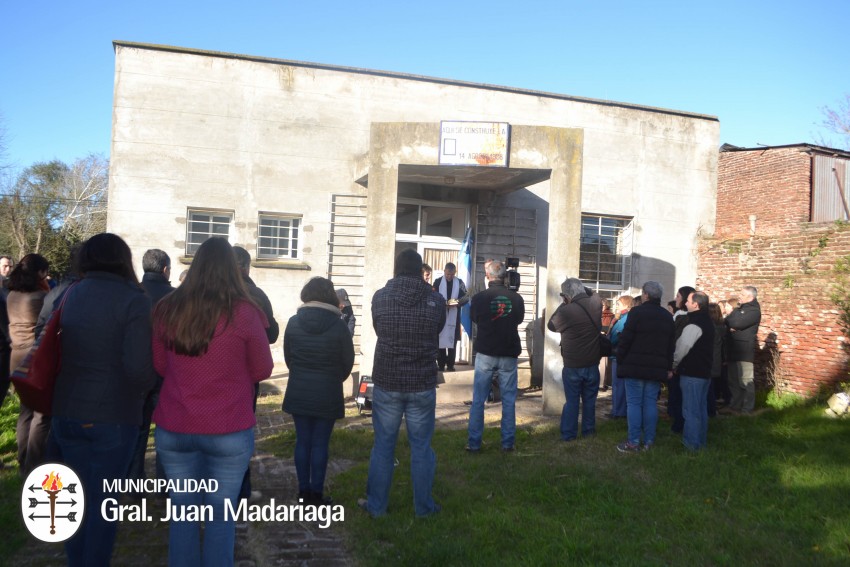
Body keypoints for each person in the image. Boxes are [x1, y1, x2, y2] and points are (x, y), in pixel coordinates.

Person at [153, 237, 273, 566]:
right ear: (234, 271)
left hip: (175, 425)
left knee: (183, 515)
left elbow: (160, 366)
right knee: (222, 519)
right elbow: (263, 369)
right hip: (229, 428)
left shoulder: (167, 308)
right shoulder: (246, 313)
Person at [51, 234, 156, 566]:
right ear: (123, 260)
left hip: (66, 411)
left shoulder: (68, 294)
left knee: (75, 502)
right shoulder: (133, 300)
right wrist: (148, 389)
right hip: (113, 415)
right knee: (103, 505)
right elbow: (138, 368)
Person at [360, 249, 445, 518]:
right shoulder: (436, 299)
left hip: (388, 379)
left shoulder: (380, 297)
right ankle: (424, 508)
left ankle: (376, 507)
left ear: (396, 268)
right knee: (421, 447)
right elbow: (438, 329)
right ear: (421, 270)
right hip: (421, 382)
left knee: (383, 446)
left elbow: (378, 328)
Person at [283, 277, 355, 504]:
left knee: (302, 441)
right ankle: (316, 493)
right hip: (327, 390)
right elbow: (347, 361)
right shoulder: (339, 325)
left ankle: (303, 493)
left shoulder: (294, 322)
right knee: (321, 443)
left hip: (299, 389)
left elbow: (289, 357)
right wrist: (334, 378)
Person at [232, 245, 279, 501]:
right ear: (247, 266)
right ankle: (241, 489)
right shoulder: (255, 295)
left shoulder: (201, 293)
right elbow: (270, 334)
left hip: (201, 377)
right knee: (241, 430)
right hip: (245, 376)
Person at [127, 249, 176, 488]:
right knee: (166, 431)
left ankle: (133, 484)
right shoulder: (177, 297)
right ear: (166, 270)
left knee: (137, 430)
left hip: (135, 371)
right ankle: (164, 484)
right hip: (167, 372)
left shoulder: (130, 292)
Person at [466, 260, 525, 452]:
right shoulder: (516, 298)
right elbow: (519, 319)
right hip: (508, 352)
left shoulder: (479, 298)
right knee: (508, 400)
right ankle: (508, 443)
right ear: (504, 276)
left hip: (486, 352)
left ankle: (474, 443)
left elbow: (474, 318)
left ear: (488, 276)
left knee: (478, 400)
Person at [615, 281, 675, 452]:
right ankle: (649, 441)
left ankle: (633, 442)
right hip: (656, 367)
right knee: (650, 404)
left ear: (646, 295)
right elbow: (671, 345)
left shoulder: (637, 313)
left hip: (634, 366)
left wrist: (620, 357)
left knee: (634, 403)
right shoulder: (667, 316)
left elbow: (626, 339)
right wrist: (668, 367)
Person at [7, 253, 51, 476]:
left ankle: (23, 459)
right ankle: (33, 464)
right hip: (33, 358)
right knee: (41, 415)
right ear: (39, 273)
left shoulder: (12, 295)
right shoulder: (40, 297)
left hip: (15, 356)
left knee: (24, 412)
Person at [547, 277, 602, 442]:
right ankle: (588, 432)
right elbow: (593, 293)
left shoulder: (566, 311)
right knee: (590, 401)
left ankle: (569, 434)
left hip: (573, 365)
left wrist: (565, 302)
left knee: (572, 402)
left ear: (566, 296)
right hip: (592, 363)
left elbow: (551, 325)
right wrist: (582, 290)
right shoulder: (596, 303)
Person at [671, 291, 715, 450]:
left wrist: (674, 364)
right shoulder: (707, 321)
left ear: (696, 304)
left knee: (690, 411)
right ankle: (699, 442)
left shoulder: (694, 323)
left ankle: (691, 444)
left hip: (692, 372)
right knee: (700, 409)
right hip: (703, 372)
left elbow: (682, 347)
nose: (686, 303)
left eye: (688, 301)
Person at [724, 286, 761, 415]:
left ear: (750, 297)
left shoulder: (754, 311)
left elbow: (737, 324)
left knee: (746, 381)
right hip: (733, 350)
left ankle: (747, 409)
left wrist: (732, 316)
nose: (739, 296)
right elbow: (727, 323)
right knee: (733, 381)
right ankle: (735, 406)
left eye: (742, 294)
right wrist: (732, 321)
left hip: (744, 352)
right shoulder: (740, 309)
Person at [668, 286, 695, 434]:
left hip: (681, 363)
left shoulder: (682, 318)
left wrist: (674, 363)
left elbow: (679, 342)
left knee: (679, 396)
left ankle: (680, 425)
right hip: (685, 363)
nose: (676, 299)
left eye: (678, 296)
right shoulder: (682, 317)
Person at [432, 262, 468, 371]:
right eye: (447, 274)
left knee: (453, 341)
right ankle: (441, 364)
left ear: (455, 273)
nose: (449, 277)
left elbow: (466, 296)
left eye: (452, 275)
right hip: (440, 316)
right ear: (444, 271)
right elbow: (433, 296)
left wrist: (456, 302)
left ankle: (451, 364)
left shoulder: (460, 282)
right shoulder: (437, 282)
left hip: (454, 315)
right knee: (440, 340)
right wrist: (442, 303)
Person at [606, 295, 633, 419]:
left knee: (619, 385)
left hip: (619, 355)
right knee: (617, 385)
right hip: (615, 354)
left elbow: (617, 335)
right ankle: (617, 410)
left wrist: (609, 341)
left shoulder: (625, 318)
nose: (617, 306)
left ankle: (619, 411)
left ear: (627, 305)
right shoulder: (620, 317)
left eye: (619, 304)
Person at [709, 302, 730, 406]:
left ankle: (713, 403)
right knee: (720, 380)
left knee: (711, 382)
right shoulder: (723, 326)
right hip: (720, 357)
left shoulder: (712, 327)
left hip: (714, 356)